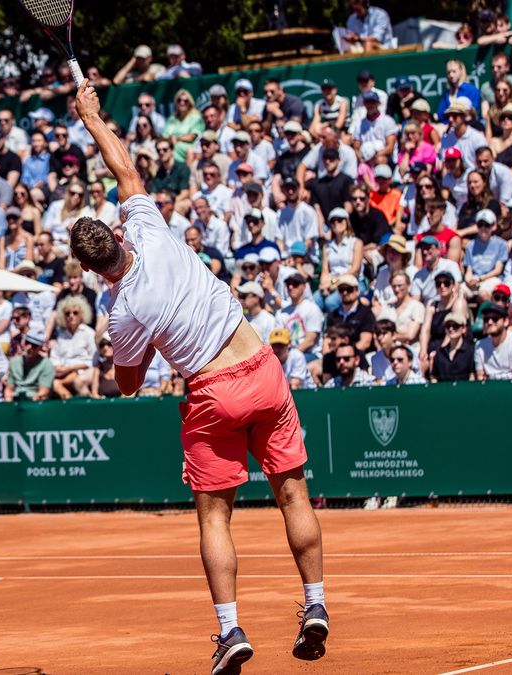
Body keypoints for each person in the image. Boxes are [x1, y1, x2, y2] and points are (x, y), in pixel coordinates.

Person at [69, 80, 327, 670]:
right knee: (293, 494)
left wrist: (129, 346)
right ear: (117, 233)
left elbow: (130, 383)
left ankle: (231, 631)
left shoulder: (121, 310)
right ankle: (316, 604)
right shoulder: (151, 229)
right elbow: (125, 168)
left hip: (212, 391)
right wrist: (90, 115)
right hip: (262, 367)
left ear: (90, 266)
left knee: (215, 515)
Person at [474, 304, 512, 381]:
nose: (489, 322)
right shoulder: (479, 346)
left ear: (506, 321)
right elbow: (480, 376)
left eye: (495, 318)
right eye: (486, 319)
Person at [3, 331, 54, 401]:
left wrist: (29, 406)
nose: (29, 347)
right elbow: (9, 389)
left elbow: (43, 392)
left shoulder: (47, 365)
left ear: (40, 348)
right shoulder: (14, 362)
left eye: (34, 345)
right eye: (27, 343)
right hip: (15, 401)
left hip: (35, 402)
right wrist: (9, 404)